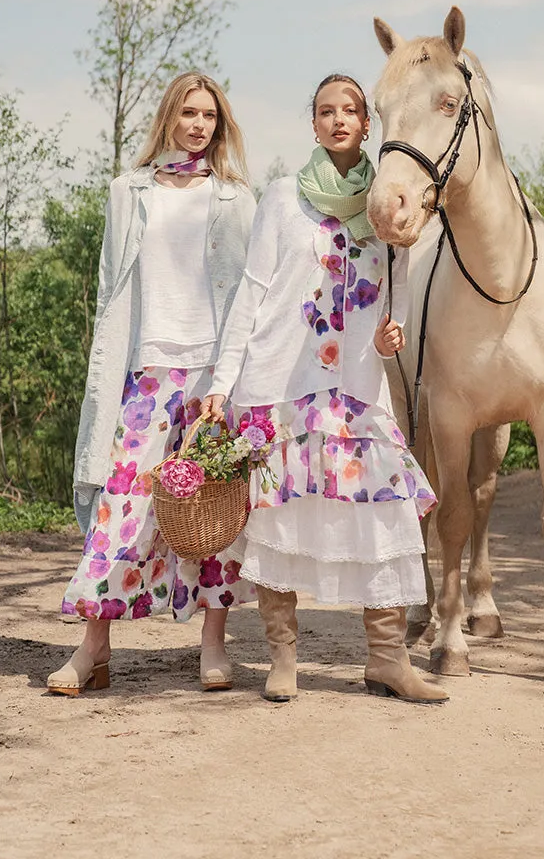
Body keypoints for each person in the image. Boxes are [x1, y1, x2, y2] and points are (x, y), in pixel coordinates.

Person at [201, 74, 448, 705]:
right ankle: (282, 658)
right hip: (283, 383)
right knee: (280, 520)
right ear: (312, 124)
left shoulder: (389, 203)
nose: (338, 119)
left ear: (368, 124)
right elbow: (252, 292)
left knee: (385, 514)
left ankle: (388, 660)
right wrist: (223, 382)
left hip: (358, 386)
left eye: (351, 110)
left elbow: (391, 291)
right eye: (325, 111)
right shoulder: (283, 198)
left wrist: (389, 332)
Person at [48, 73, 257, 696]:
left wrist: (231, 380)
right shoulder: (127, 192)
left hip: (210, 380)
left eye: (210, 117)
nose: (199, 125)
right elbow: (111, 288)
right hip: (145, 372)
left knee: (213, 511)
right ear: (169, 116)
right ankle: (93, 648)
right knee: (122, 507)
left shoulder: (234, 198)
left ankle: (213, 645)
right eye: (189, 113)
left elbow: (247, 297)